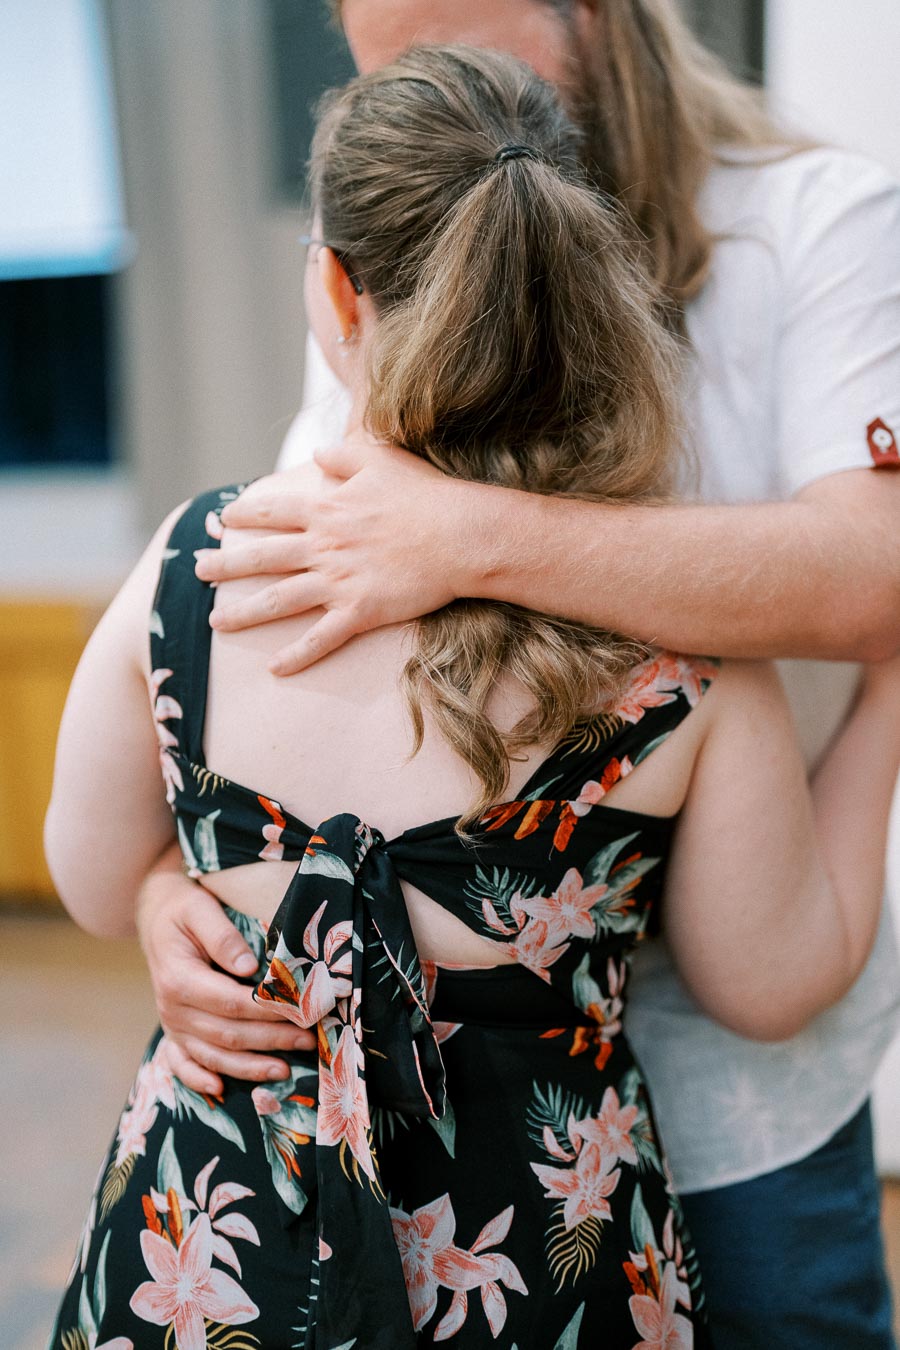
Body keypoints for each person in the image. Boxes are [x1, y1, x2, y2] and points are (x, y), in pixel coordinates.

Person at [44, 43, 900, 1350]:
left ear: (337, 289)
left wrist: (180, 894)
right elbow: (776, 980)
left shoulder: (199, 571)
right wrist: (892, 680)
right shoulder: (683, 661)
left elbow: (95, 871)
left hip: (221, 1267)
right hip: (534, 1290)